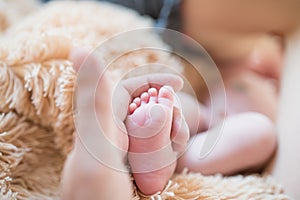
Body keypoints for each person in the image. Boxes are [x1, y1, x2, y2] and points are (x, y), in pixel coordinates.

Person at [61, 0, 300, 199]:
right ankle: (164, 141)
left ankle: (164, 151)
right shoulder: (257, 54)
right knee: (188, 109)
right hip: (209, 101)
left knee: (260, 133)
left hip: (222, 120)